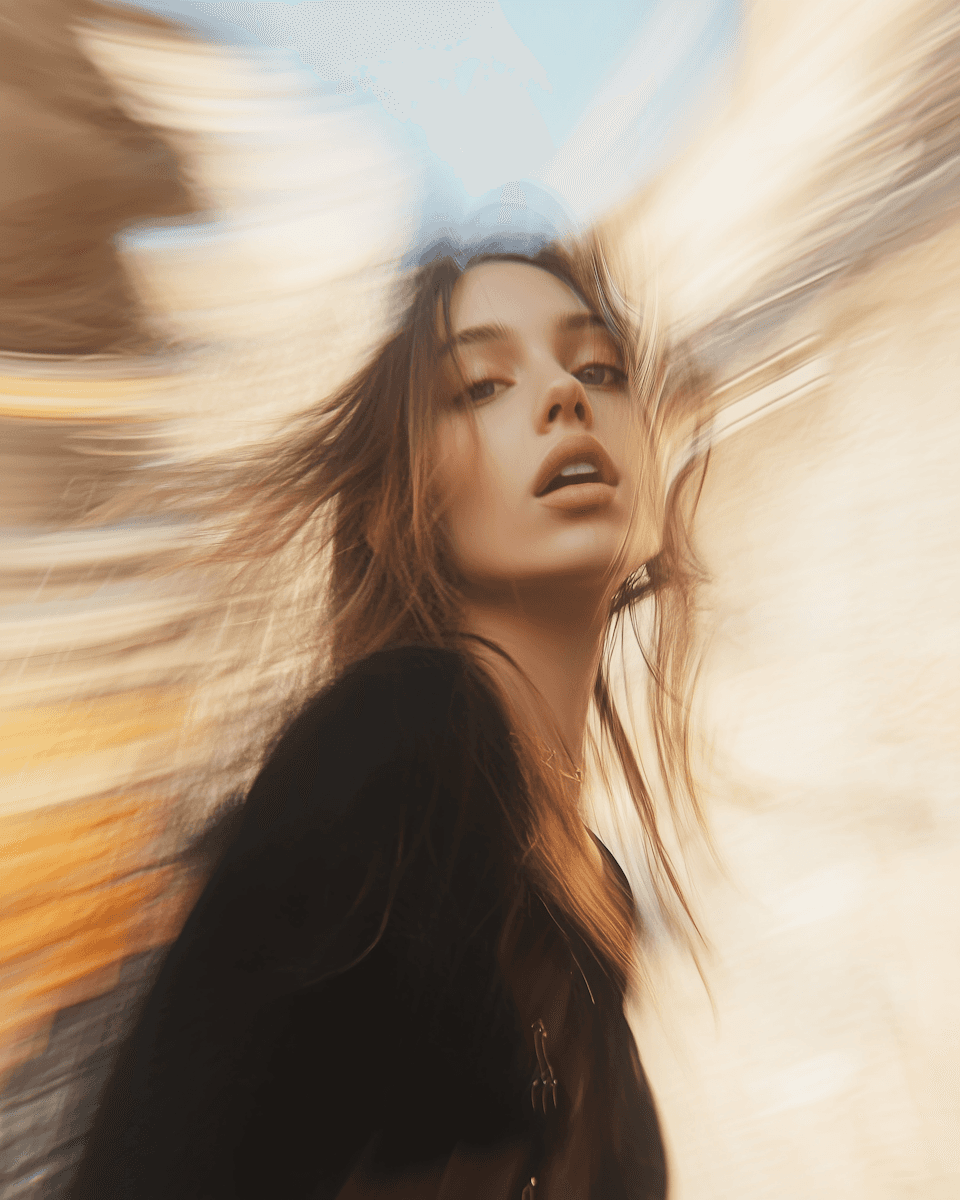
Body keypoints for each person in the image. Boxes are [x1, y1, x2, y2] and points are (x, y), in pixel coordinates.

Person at [67, 235, 705, 1199]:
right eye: (482, 385)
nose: (565, 397)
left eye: (599, 368)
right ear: (400, 504)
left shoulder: (588, 894)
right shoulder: (400, 740)